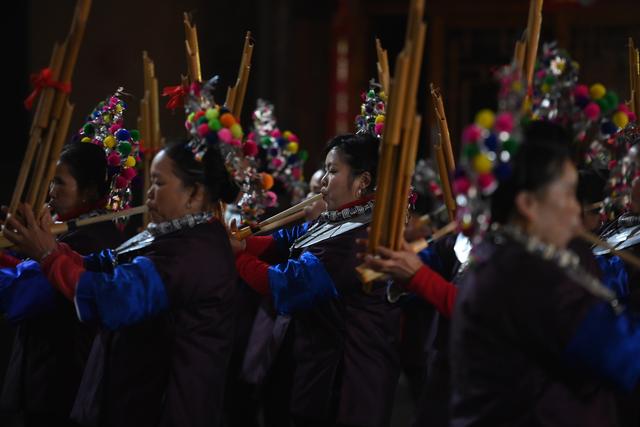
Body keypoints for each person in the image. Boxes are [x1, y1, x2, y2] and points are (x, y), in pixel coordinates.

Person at [4, 139, 240, 427]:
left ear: (194, 194)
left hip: (165, 408)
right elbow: (107, 262)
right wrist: (49, 247)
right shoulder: (176, 235)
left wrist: (48, 254)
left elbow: (115, 297)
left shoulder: (195, 253)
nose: (150, 194)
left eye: (158, 183)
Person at [449, 121, 640, 426]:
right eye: (568, 193)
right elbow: (623, 355)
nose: (577, 209)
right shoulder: (527, 277)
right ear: (528, 203)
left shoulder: (504, 255)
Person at [232, 133, 402, 427]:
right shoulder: (340, 218)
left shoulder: (361, 236)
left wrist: (234, 257)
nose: (323, 180)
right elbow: (287, 240)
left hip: (346, 382)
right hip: (318, 370)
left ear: (363, 180)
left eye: (333, 171)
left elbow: (288, 285)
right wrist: (245, 245)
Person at [0, 142, 124, 427]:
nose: (50, 192)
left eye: (59, 182)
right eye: (50, 181)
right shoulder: (70, 230)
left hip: (61, 381)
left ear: (90, 190)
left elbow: (22, 295)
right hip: (48, 377)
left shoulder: (90, 239)